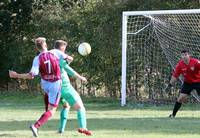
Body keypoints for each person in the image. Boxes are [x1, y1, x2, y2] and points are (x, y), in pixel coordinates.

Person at [9, 37, 73, 137]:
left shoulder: (37, 58)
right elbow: (69, 59)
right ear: (46, 45)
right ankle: (36, 126)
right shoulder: (55, 52)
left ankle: (42, 119)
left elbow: (31, 75)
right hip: (55, 83)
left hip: (45, 84)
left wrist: (17, 75)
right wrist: (63, 63)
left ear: (37, 48)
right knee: (51, 111)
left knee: (48, 107)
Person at [53, 40, 92, 136]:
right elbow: (67, 69)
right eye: (64, 49)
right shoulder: (60, 57)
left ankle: (61, 130)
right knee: (80, 108)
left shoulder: (51, 56)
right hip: (64, 86)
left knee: (66, 106)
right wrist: (80, 77)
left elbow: (61, 67)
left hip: (54, 87)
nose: (64, 51)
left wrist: (67, 62)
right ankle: (83, 127)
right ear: (61, 48)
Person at [168, 49, 200, 118]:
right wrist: (170, 85)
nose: (184, 56)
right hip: (188, 83)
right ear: (181, 56)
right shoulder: (180, 65)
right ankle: (173, 115)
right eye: (183, 55)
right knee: (180, 98)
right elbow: (175, 76)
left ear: (189, 55)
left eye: (186, 55)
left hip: (198, 82)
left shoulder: (196, 62)